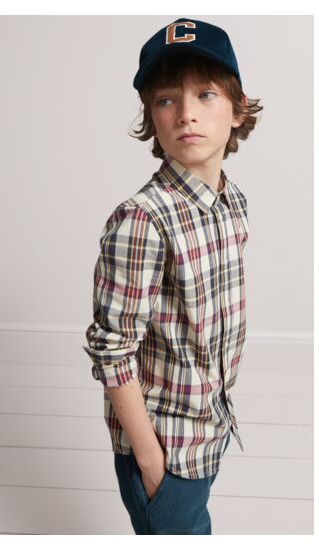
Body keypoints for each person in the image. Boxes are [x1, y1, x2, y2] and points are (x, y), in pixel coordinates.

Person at [82, 17, 263, 535]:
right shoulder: (143, 219)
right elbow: (112, 350)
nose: (186, 113)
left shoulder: (232, 202)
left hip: (209, 429)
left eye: (205, 94)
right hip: (164, 446)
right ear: (151, 118)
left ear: (237, 109)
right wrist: (149, 458)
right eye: (166, 100)